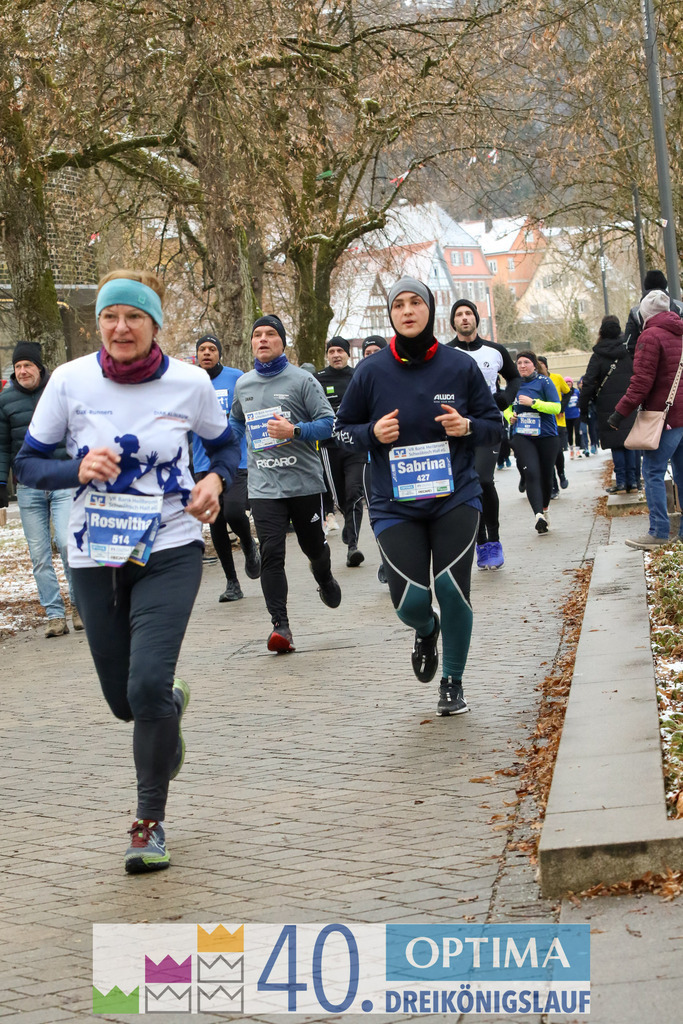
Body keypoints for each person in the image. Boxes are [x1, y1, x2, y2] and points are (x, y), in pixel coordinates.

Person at [15, 269, 241, 874]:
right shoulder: (69, 381)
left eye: (133, 317)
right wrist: (77, 468)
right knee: (127, 703)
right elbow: (28, 466)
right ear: (99, 325)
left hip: (169, 546)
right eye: (110, 317)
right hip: (94, 553)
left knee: (143, 687)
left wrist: (215, 480)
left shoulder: (191, 383)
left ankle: (149, 823)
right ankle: (167, 709)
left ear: (155, 326)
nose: (120, 327)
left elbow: (227, 446)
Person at [336, 276, 503, 715]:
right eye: (399, 305)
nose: (407, 311)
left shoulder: (459, 366)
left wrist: (467, 426)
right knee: (411, 600)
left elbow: (493, 426)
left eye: (416, 303)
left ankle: (452, 682)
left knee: (451, 588)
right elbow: (341, 433)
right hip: (394, 502)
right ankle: (426, 629)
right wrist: (371, 433)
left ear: (430, 308)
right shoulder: (370, 371)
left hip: (455, 495)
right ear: (391, 314)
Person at [229, 314, 341, 653]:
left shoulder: (303, 380)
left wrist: (294, 431)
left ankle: (323, 575)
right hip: (264, 486)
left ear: (282, 342)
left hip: (304, 484)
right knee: (271, 553)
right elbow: (236, 422)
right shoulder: (244, 385)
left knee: (312, 547)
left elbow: (328, 425)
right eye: (257, 335)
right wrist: (229, 449)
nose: (262, 339)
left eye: (270, 334)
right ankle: (281, 626)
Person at [0, 341, 81, 637]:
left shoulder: (58, 394)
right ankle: (54, 615)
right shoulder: (5, 401)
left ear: (39, 368)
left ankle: (79, 607)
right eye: (18, 367)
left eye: (27, 366)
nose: (22, 371)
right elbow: (2, 446)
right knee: (39, 555)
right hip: (28, 488)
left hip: (62, 481)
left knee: (68, 544)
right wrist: (1, 483)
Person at [447, 298, 519, 570]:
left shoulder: (495, 350)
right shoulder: (446, 353)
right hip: (456, 427)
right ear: (453, 322)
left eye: (469, 313)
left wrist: (503, 399)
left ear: (477, 319)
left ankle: (494, 541)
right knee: (466, 485)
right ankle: (480, 544)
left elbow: (514, 378)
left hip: (488, 423)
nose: (464, 318)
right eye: (459, 314)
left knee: (484, 480)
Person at [608, 290, 683, 549]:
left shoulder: (649, 336)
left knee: (652, 472)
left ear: (644, 313)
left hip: (666, 417)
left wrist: (619, 413)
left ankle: (659, 532)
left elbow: (641, 382)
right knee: (682, 475)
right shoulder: (681, 331)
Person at [192, 334, 261, 601]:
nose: (207, 353)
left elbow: (251, 409)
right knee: (216, 523)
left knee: (233, 511)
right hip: (202, 462)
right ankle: (232, 583)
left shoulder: (236, 378)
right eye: (202, 349)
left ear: (219, 353)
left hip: (236, 459)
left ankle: (247, 543)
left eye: (212, 349)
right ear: (197, 355)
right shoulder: (190, 383)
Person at [316, 337, 367, 566]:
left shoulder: (358, 376)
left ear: (348, 354)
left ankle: (353, 546)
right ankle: (349, 523)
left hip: (355, 445)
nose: (336, 354)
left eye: (340, 351)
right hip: (330, 447)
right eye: (332, 351)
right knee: (339, 496)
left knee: (355, 491)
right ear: (327, 354)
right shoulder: (317, 380)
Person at [579, 316, 638, 494]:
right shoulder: (629, 351)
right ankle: (634, 483)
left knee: (617, 444)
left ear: (601, 333)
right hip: (630, 402)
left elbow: (588, 383)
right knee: (632, 442)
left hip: (607, 405)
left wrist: (583, 408)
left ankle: (621, 484)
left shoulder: (597, 355)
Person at [505, 351, 561, 535]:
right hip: (522, 435)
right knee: (531, 472)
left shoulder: (544, 382)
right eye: (519, 362)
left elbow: (556, 407)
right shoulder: (514, 384)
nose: (522, 366)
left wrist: (534, 403)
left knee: (546, 476)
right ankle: (538, 515)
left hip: (546, 436)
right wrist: (510, 416)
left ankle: (545, 509)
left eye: (526, 362)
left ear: (534, 365)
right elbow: (505, 407)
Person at [624, 269, 683, 357]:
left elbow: (629, 344)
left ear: (646, 286)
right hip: (678, 363)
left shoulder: (636, 312)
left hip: (648, 361)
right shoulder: (680, 307)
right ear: (665, 284)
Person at [537, 355, 570, 497]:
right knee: (546, 458)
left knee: (558, 452)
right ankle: (553, 487)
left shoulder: (555, 378)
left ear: (546, 365)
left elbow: (569, 392)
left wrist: (561, 408)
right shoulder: (532, 382)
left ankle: (561, 473)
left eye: (541, 364)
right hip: (540, 425)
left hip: (558, 423)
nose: (539, 367)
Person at [564, 379, 582, 457]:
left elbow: (580, 400)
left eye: (569, 382)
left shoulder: (576, 392)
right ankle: (571, 449)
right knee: (569, 433)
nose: (568, 384)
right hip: (567, 416)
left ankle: (578, 450)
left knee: (577, 432)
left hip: (576, 415)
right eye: (566, 383)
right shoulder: (563, 393)